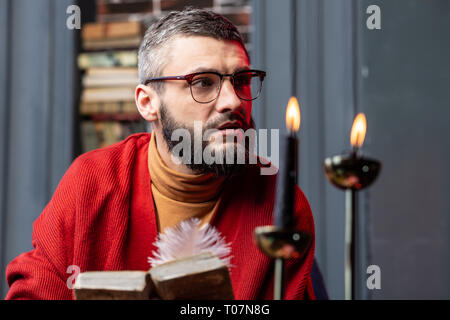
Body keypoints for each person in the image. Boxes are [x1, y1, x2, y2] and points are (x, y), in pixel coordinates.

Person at [5, 8, 316, 300]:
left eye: (242, 81)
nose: (232, 101)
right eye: (203, 83)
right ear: (147, 103)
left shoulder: (281, 204)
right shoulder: (90, 181)